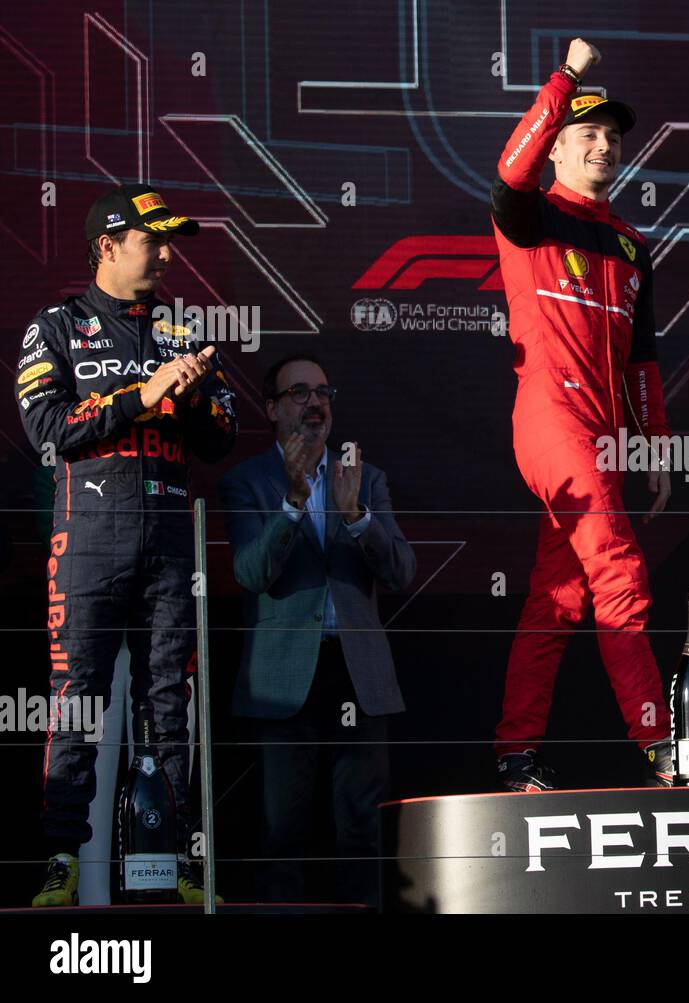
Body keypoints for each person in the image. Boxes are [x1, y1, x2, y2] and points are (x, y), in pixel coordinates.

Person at [18, 183, 238, 906]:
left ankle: (177, 861)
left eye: (171, 241)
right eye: (154, 240)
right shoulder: (55, 326)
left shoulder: (180, 332)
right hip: (85, 541)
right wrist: (143, 395)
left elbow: (223, 438)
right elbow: (48, 431)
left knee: (170, 701)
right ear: (107, 245)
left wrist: (199, 395)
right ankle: (57, 859)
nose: (168, 255)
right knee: (74, 700)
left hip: (172, 540)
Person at [489, 37, 674, 791]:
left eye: (613, 136)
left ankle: (515, 753)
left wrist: (655, 447)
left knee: (558, 597)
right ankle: (663, 746)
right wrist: (565, 78)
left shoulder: (632, 244)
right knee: (619, 574)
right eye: (587, 133)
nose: (604, 145)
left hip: (604, 439)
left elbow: (642, 361)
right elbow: (509, 170)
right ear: (557, 147)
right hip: (549, 421)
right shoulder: (529, 216)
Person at [219, 354, 416, 906]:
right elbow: (251, 573)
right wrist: (294, 503)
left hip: (358, 678)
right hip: (282, 685)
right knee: (282, 831)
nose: (315, 403)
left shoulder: (365, 478)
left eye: (323, 392)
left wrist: (356, 517)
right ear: (272, 407)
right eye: (300, 392)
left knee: (362, 830)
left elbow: (400, 572)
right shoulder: (246, 482)